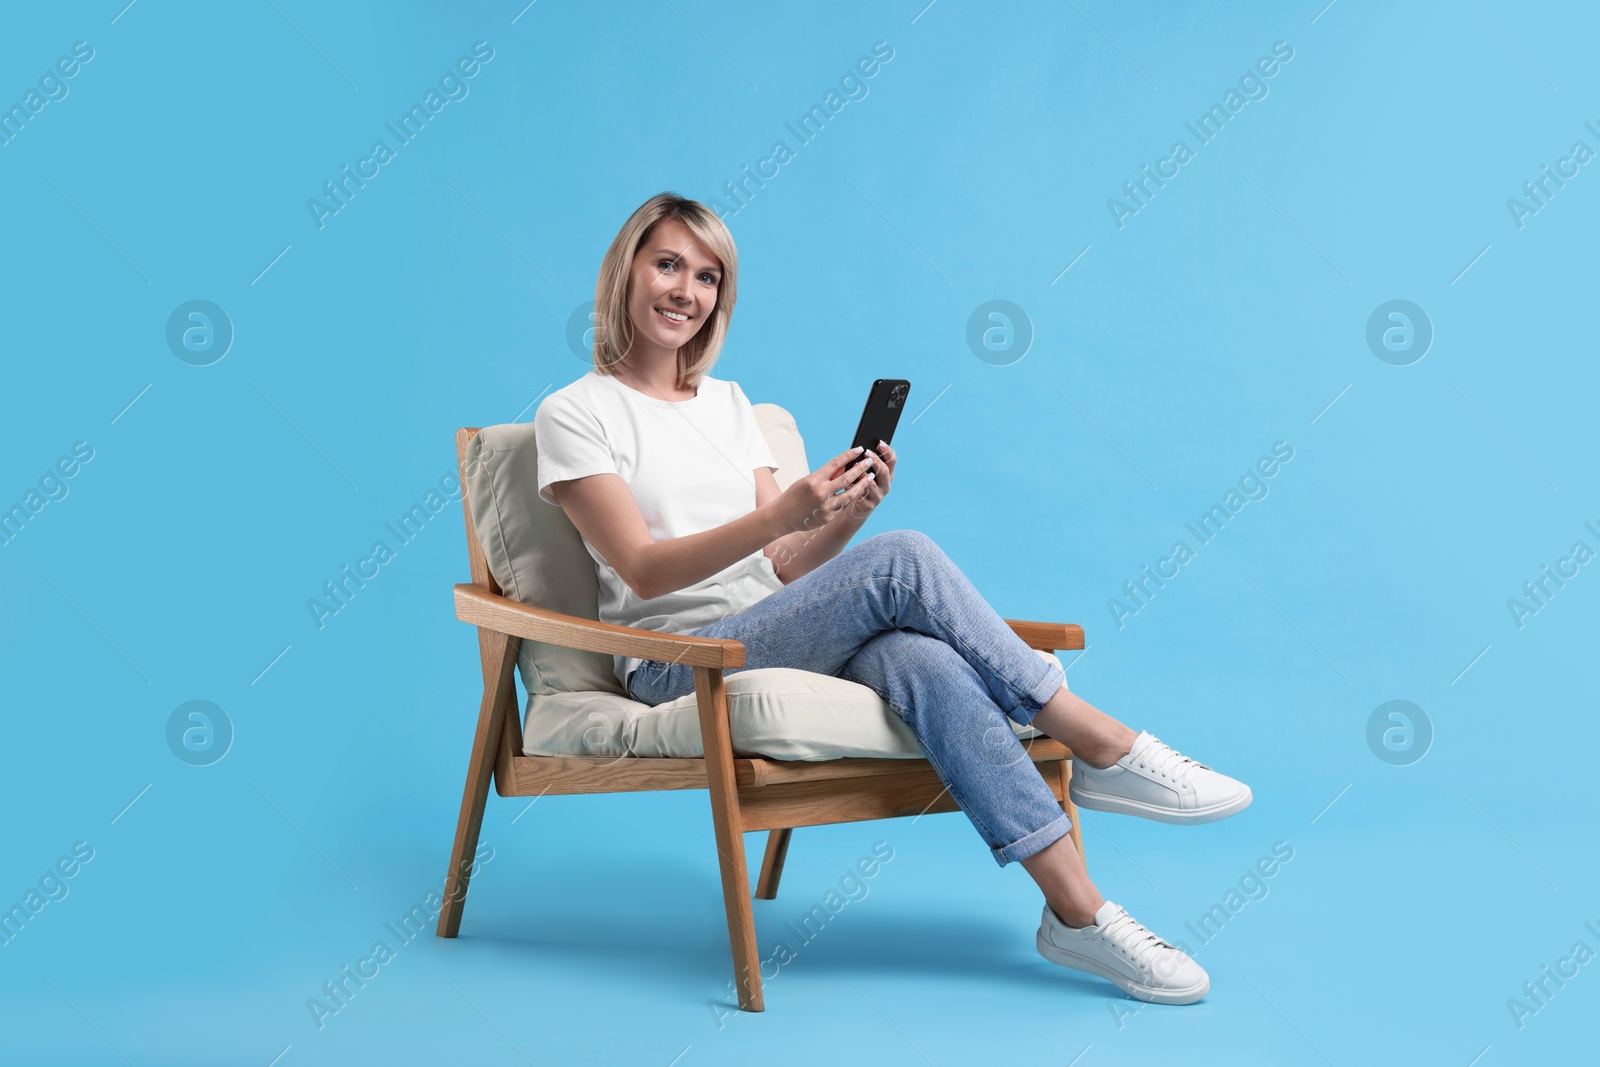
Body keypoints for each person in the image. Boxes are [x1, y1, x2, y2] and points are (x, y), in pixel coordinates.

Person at [533, 192, 1253, 1006]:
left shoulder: (730, 406)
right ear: (626, 266)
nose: (686, 291)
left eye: (708, 277)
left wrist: (845, 516)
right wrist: (781, 514)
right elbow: (643, 569)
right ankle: (1100, 742)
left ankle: (1078, 915)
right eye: (668, 263)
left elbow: (788, 567)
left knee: (924, 659)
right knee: (905, 559)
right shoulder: (574, 411)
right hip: (679, 661)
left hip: (771, 625)